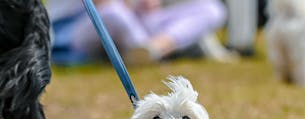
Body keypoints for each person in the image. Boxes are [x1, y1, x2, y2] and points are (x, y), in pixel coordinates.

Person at [46, 0, 228, 65]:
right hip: (78, 26)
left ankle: (155, 49)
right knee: (114, 12)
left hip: (139, 21)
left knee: (212, 8)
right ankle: (146, 51)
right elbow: (103, 3)